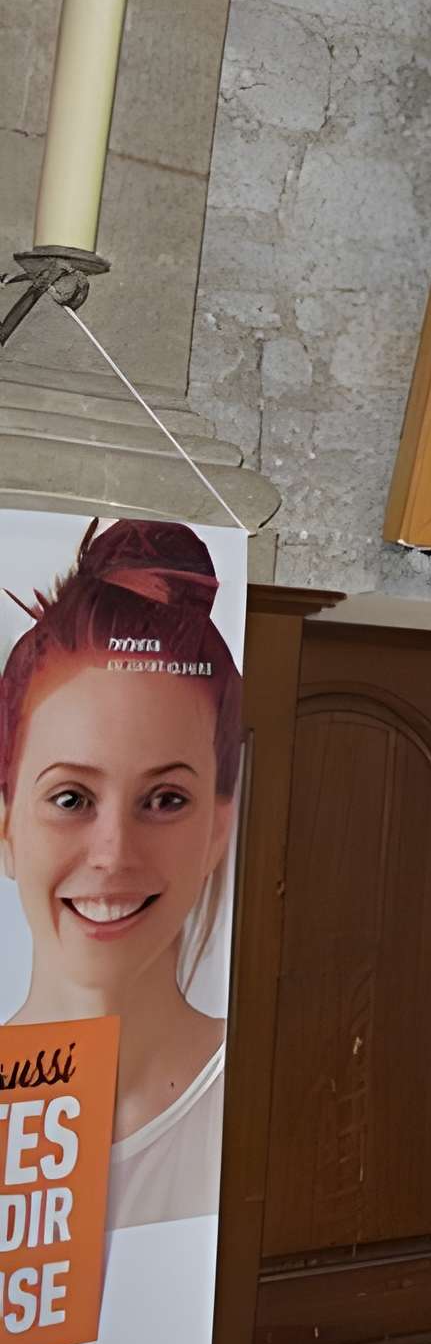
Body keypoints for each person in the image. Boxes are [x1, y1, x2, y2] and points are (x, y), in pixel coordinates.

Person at [0, 520, 241, 1227]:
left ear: (219, 825)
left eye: (165, 800)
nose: (112, 854)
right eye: (71, 798)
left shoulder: (259, 1098)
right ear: (7, 824)